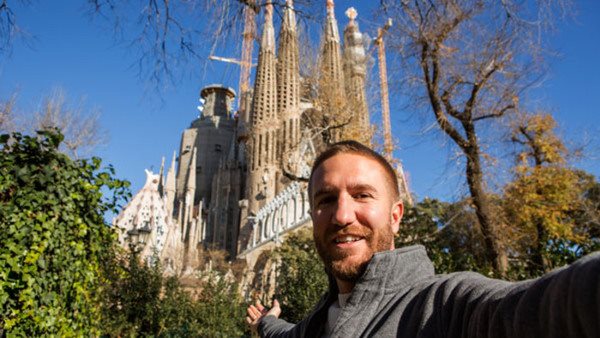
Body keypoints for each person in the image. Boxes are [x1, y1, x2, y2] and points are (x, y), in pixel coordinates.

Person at [246, 140, 600, 338]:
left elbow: (536, 309)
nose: (342, 215)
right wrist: (266, 320)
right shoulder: (315, 325)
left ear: (396, 215)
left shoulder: (443, 307)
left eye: (363, 195)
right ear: (312, 218)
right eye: (326, 200)